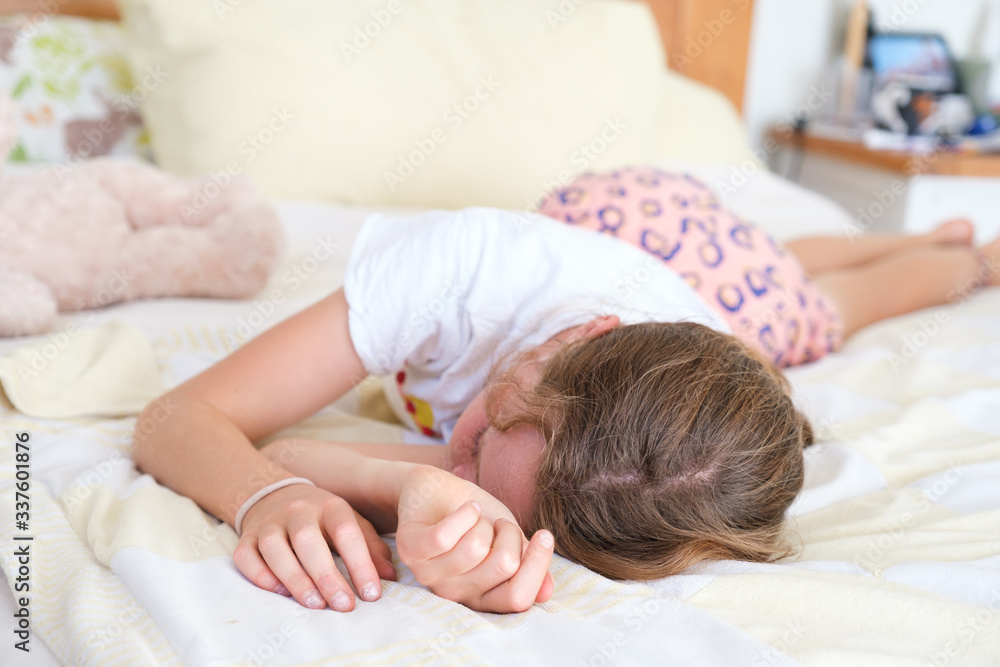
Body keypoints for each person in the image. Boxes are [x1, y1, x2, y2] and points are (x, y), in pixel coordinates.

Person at [133, 167, 998, 615]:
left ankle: (942, 250)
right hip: (627, 213)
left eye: (474, 475)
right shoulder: (455, 271)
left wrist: (404, 483)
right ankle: (943, 254)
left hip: (703, 291)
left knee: (799, 286)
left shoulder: (709, 403)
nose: (455, 463)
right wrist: (262, 496)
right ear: (573, 341)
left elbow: (299, 453)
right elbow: (178, 416)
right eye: (478, 441)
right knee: (795, 292)